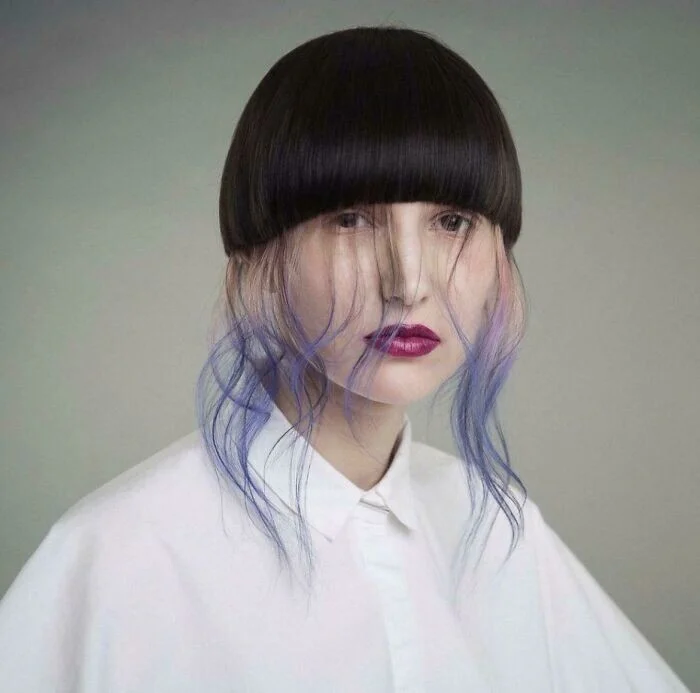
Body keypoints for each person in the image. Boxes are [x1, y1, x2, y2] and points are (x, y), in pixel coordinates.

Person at [0, 25, 690, 693]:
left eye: (451, 222)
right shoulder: (122, 554)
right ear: (254, 262)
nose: (407, 281)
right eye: (351, 220)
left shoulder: (496, 528)